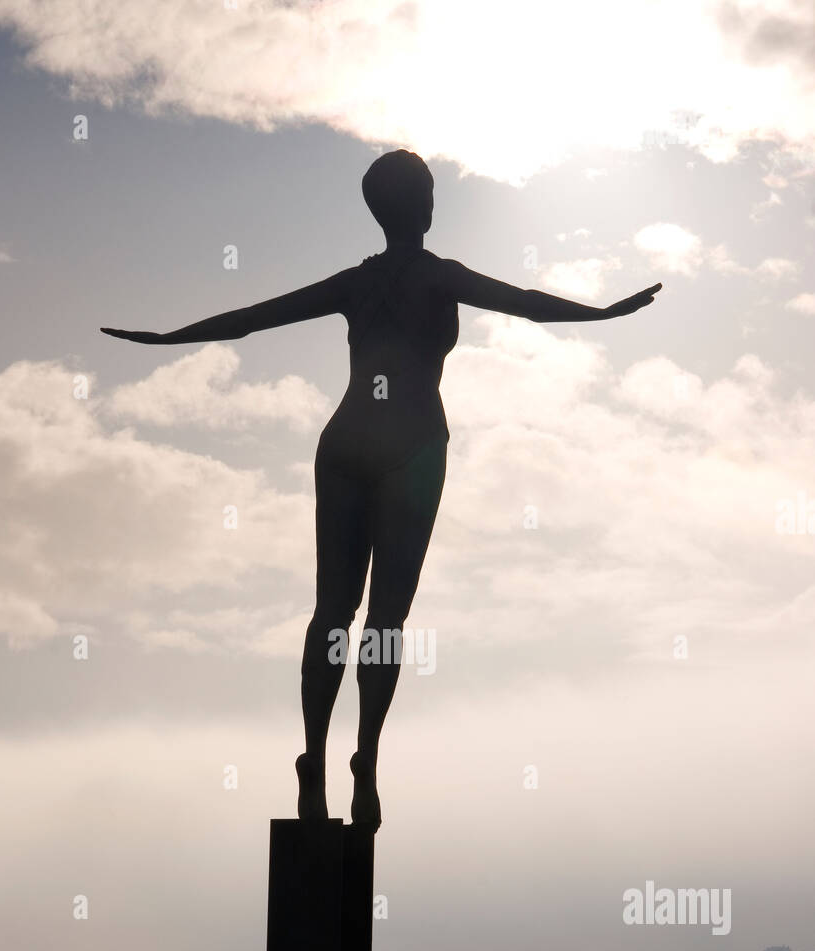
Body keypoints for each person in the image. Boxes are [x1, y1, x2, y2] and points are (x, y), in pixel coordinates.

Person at [102, 151, 661, 831]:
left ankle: (315, 759)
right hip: (414, 449)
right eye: (426, 193)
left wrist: (169, 338)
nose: (430, 204)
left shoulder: (355, 283)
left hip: (344, 443)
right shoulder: (440, 277)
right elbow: (531, 307)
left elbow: (250, 316)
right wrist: (604, 313)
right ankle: (364, 758)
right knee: (384, 622)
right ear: (418, 206)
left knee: (331, 611)